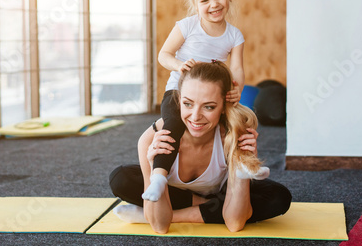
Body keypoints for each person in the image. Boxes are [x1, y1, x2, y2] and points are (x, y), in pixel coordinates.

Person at [109, 61, 291, 234]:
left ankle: (171, 215)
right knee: (122, 179)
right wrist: (152, 164)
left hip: (218, 193)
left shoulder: (233, 135)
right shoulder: (153, 138)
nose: (195, 117)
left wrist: (244, 165)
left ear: (223, 106)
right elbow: (159, 226)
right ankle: (208, 206)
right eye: (188, 104)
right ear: (179, 100)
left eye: (209, 107)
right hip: (180, 195)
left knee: (279, 197)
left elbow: (234, 223)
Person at [145, 0, 246, 202]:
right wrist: (179, 65)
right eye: (204, 1)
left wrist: (237, 89)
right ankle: (158, 175)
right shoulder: (187, 26)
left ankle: (244, 168)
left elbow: (237, 69)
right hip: (179, 94)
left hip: (213, 96)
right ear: (195, 3)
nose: (214, 5)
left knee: (241, 124)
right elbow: (163, 55)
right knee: (173, 127)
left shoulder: (234, 35)